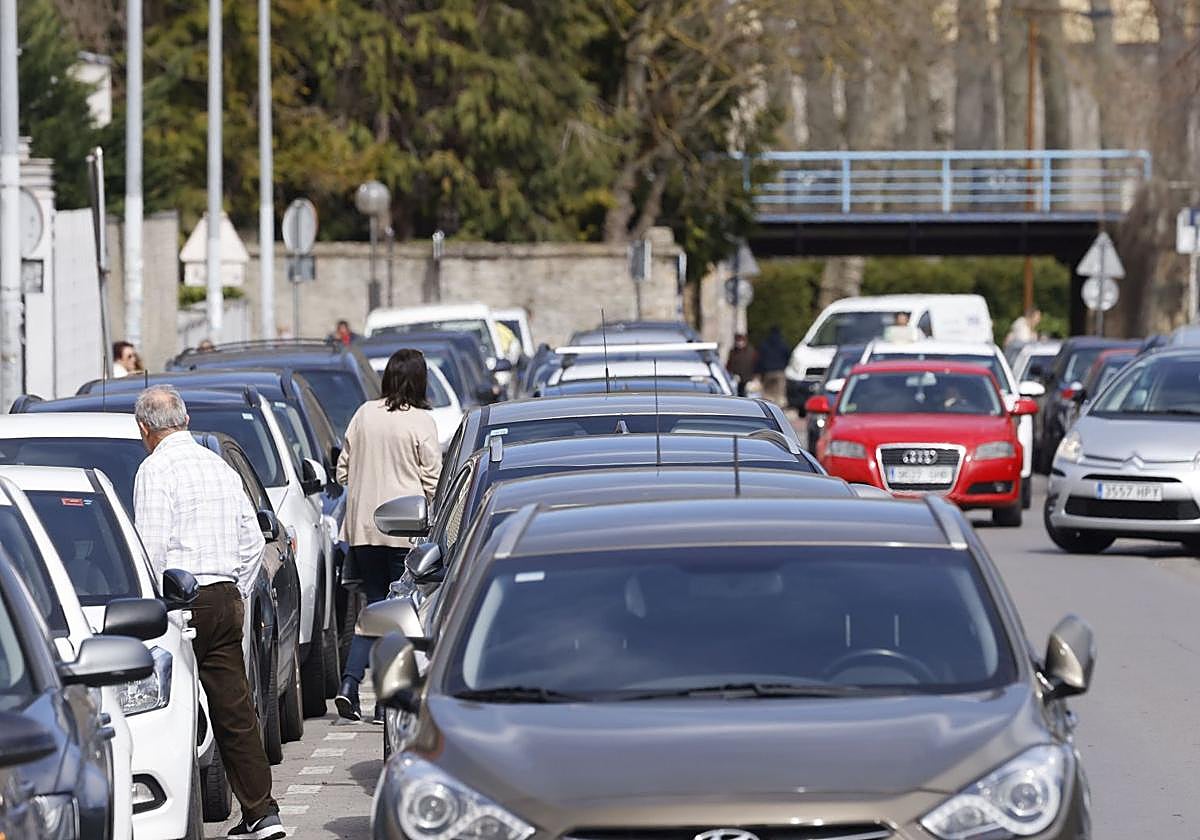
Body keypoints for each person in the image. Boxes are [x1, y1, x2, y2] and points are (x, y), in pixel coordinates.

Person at [131, 386, 284, 840]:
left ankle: (171, 814)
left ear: (144, 429)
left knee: (173, 710)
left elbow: (150, 547)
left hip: (180, 601)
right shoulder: (217, 465)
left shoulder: (154, 470)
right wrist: (236, 586)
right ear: (184, 420)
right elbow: (253, 541)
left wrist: (158, 608)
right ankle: (262, 812)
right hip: (224, 595)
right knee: (234, 707)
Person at [334, 349, 442, 722]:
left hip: (363, 528)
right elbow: (433, 479)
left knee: (375, 605)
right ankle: (385, 697)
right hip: (405, 529)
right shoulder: (421, 422)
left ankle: (350, 682)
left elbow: (342, 471)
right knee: (400, 613)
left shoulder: (364, 414)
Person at [756, 326, 791, 406]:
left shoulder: (764, 344)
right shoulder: (783, 344)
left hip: (768, 372)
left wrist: (760, 372)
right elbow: (788, 356)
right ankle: (778, 410)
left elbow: (760, 360)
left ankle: (768, 409)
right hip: (779, 372)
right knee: (779, 394)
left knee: (767, 394)